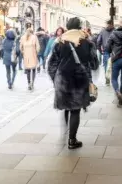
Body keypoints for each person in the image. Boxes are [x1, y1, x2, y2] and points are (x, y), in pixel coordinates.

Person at [48, 17, 98, 149]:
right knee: (75, 110)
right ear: (79, 26)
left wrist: (55, 78)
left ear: (67, 27)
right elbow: (94, 64)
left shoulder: (59, 42)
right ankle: (72, 139)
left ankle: (66, 132)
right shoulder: (87, 42)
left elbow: (52, 63)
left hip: (63, 79)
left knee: (65, 107)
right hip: (80, 80)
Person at [105, 18, 122, 107]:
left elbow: (107, 47)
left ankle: (117, 91)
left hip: (116, 59)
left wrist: (112, 51)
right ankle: (121, 98)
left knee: (114, 78)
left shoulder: (114, 33)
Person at [97, 20, 114, 85]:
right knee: (114, 65)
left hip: (106, 50)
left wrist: (100, 51)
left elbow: (98, 41)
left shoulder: (102, 31)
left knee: (106, 65)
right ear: (112, 24)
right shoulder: (115, 31)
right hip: (114, 51)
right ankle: (113, 79)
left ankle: (107, 79)